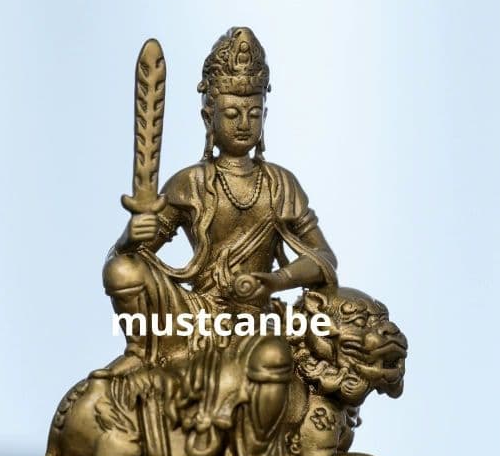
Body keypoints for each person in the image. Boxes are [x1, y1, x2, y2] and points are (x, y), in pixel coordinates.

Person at [101, 27, 338, 375]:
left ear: (265, 117)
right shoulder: (189, 182)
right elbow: (127, 259)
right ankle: (141, 352)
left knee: (272, 358)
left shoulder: (280, 184)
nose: (243, 123)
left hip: (254, 319)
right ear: (208, 117)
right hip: (193, 314)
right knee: (121, 270)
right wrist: (129, 239)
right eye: (231, 114)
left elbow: (325, 259)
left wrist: (275, 281)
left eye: (253, 114)